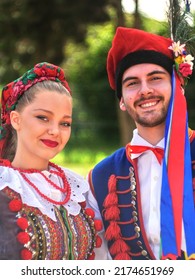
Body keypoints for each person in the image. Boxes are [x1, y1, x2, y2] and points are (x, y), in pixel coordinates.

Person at [88, 26, 195, 260]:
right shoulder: (99, 177)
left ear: (179, 87)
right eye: (132, 83)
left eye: (155, 78)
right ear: (122, 102)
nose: (145, 90)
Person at [0, 62, 109, 260]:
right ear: (16, 119)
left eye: (65, 123)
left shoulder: (78, 188)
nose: (55, 131)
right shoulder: (3, 185)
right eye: (43, 117)